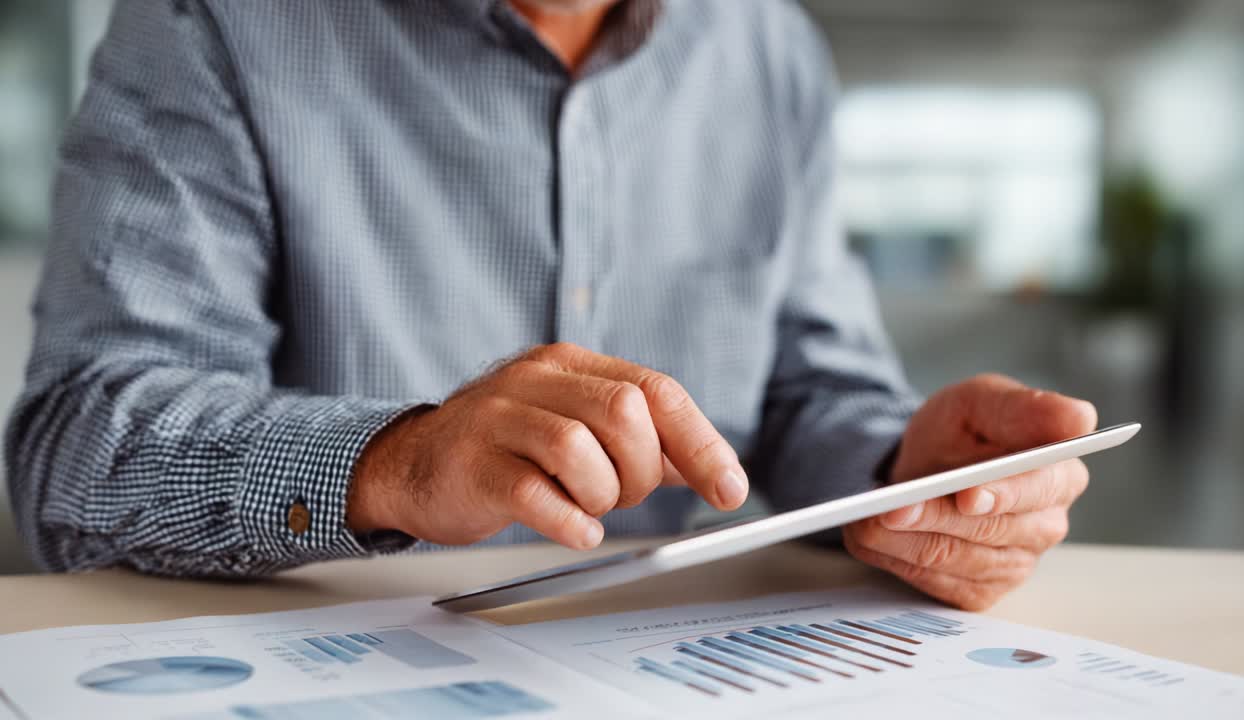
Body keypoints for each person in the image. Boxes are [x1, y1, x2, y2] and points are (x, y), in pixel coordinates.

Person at [4, 0, 1096, 611]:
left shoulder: (769, 49)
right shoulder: (214, 25)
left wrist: (905, 475)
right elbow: (75, 452)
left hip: (673, 666)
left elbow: (805, 388)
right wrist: (400, 464)